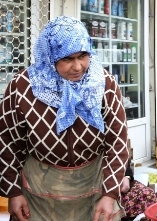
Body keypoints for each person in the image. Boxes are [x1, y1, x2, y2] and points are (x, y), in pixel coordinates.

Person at [0, 16, 129, 221]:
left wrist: (109, 193)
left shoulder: (104, 84)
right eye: (67, 58)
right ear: (50, 57)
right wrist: (13, 192)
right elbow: (7, 143)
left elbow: (117, 142)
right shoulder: (23, 87)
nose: (78, 67)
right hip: (39, 194)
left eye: (83, 56)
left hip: (94, 189)